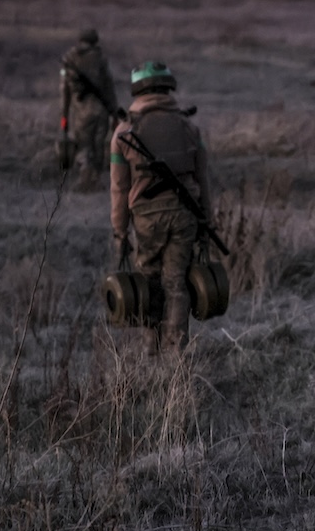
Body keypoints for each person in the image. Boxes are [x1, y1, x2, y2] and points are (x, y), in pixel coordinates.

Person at [110, 61, 211, 355]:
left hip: (146, 219)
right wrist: (208, 222)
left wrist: (119, 232)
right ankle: (176, 354)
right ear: (168, 87)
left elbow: (119, 188)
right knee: (177, 282)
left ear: (138, 89)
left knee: (149, 281)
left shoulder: (123, 132)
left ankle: (150, 351)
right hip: (186, 215)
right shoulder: (190, 127)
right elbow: (203, 179)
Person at [60, 28, 119, 192]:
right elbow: (109, 87)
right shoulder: (100, 58)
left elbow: (64, 90)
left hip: (81, 112)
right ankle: (95, 180)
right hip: (101, 111)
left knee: (84, 145)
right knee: (99, 146)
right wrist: (114, 113)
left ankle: (84, 178)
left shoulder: (69, 59)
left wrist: (64, 116)